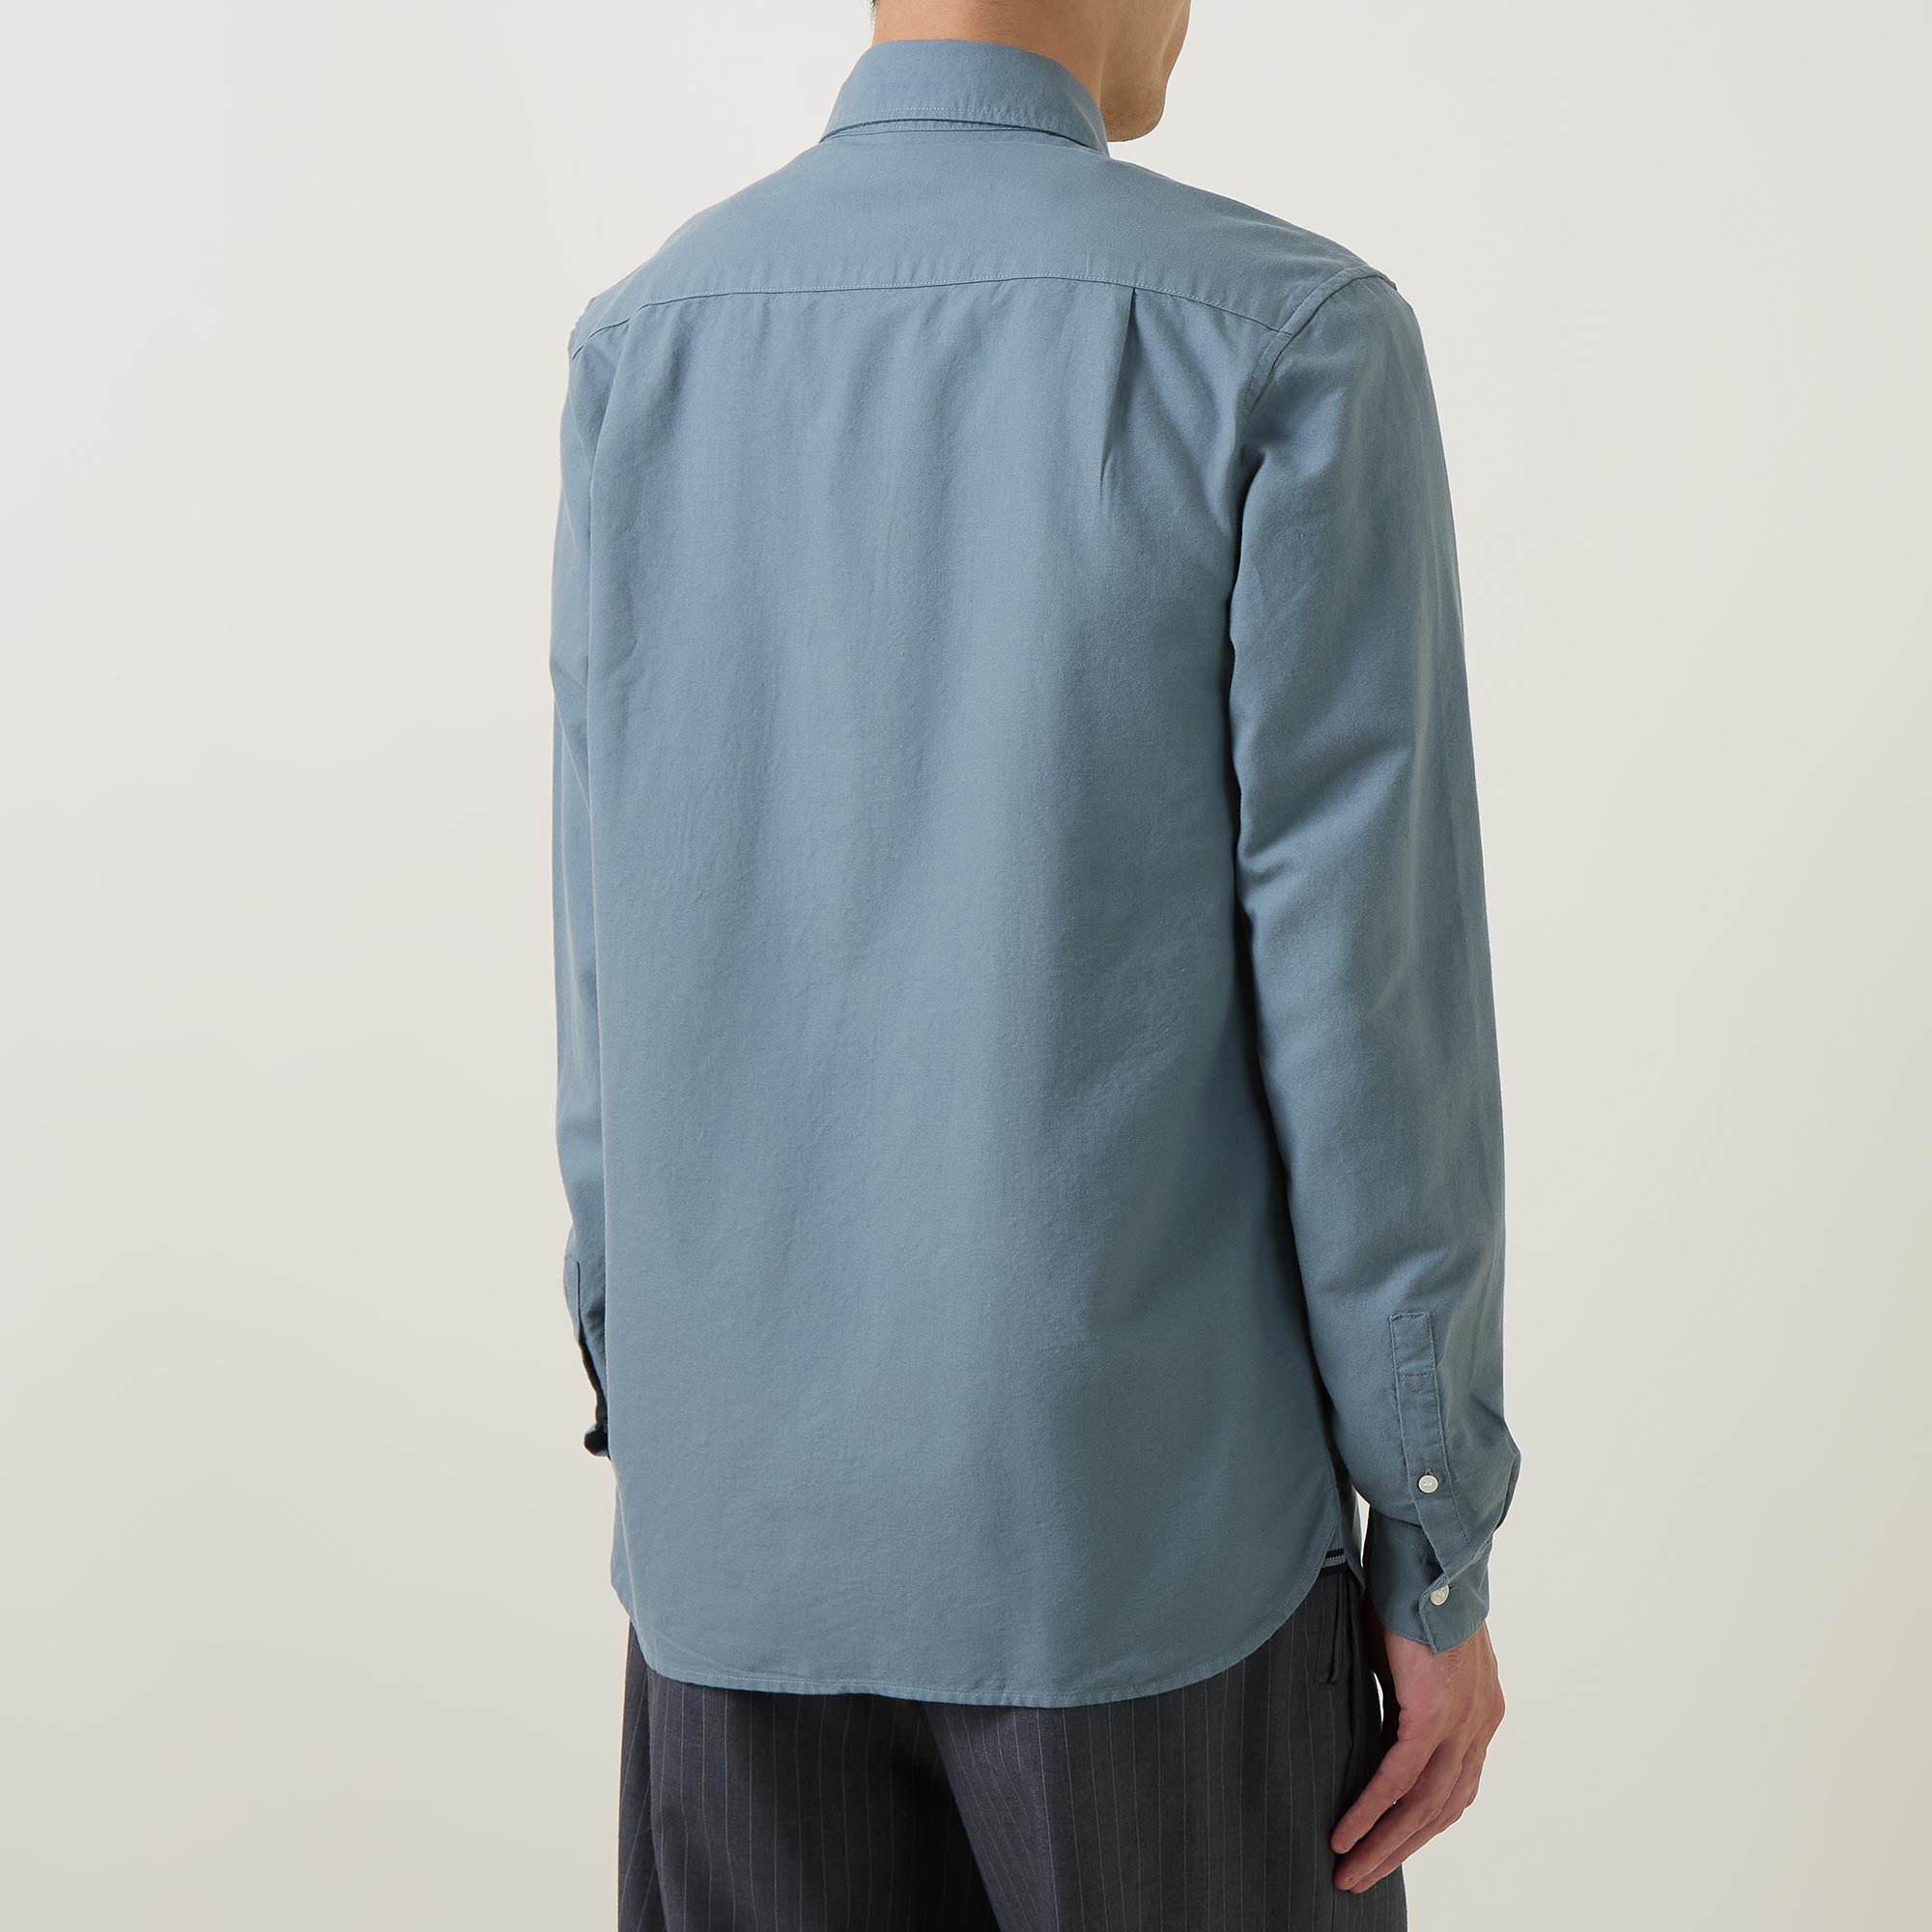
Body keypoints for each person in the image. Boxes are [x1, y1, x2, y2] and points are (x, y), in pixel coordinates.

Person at [549, 2, 1519, 1923]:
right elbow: (1367, 1032)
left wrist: (647, 1384)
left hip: (736, 1555)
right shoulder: (1288, 340)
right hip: (1138, 1566)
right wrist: (1432, 1537)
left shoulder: (643, 343)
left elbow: (609, 978)